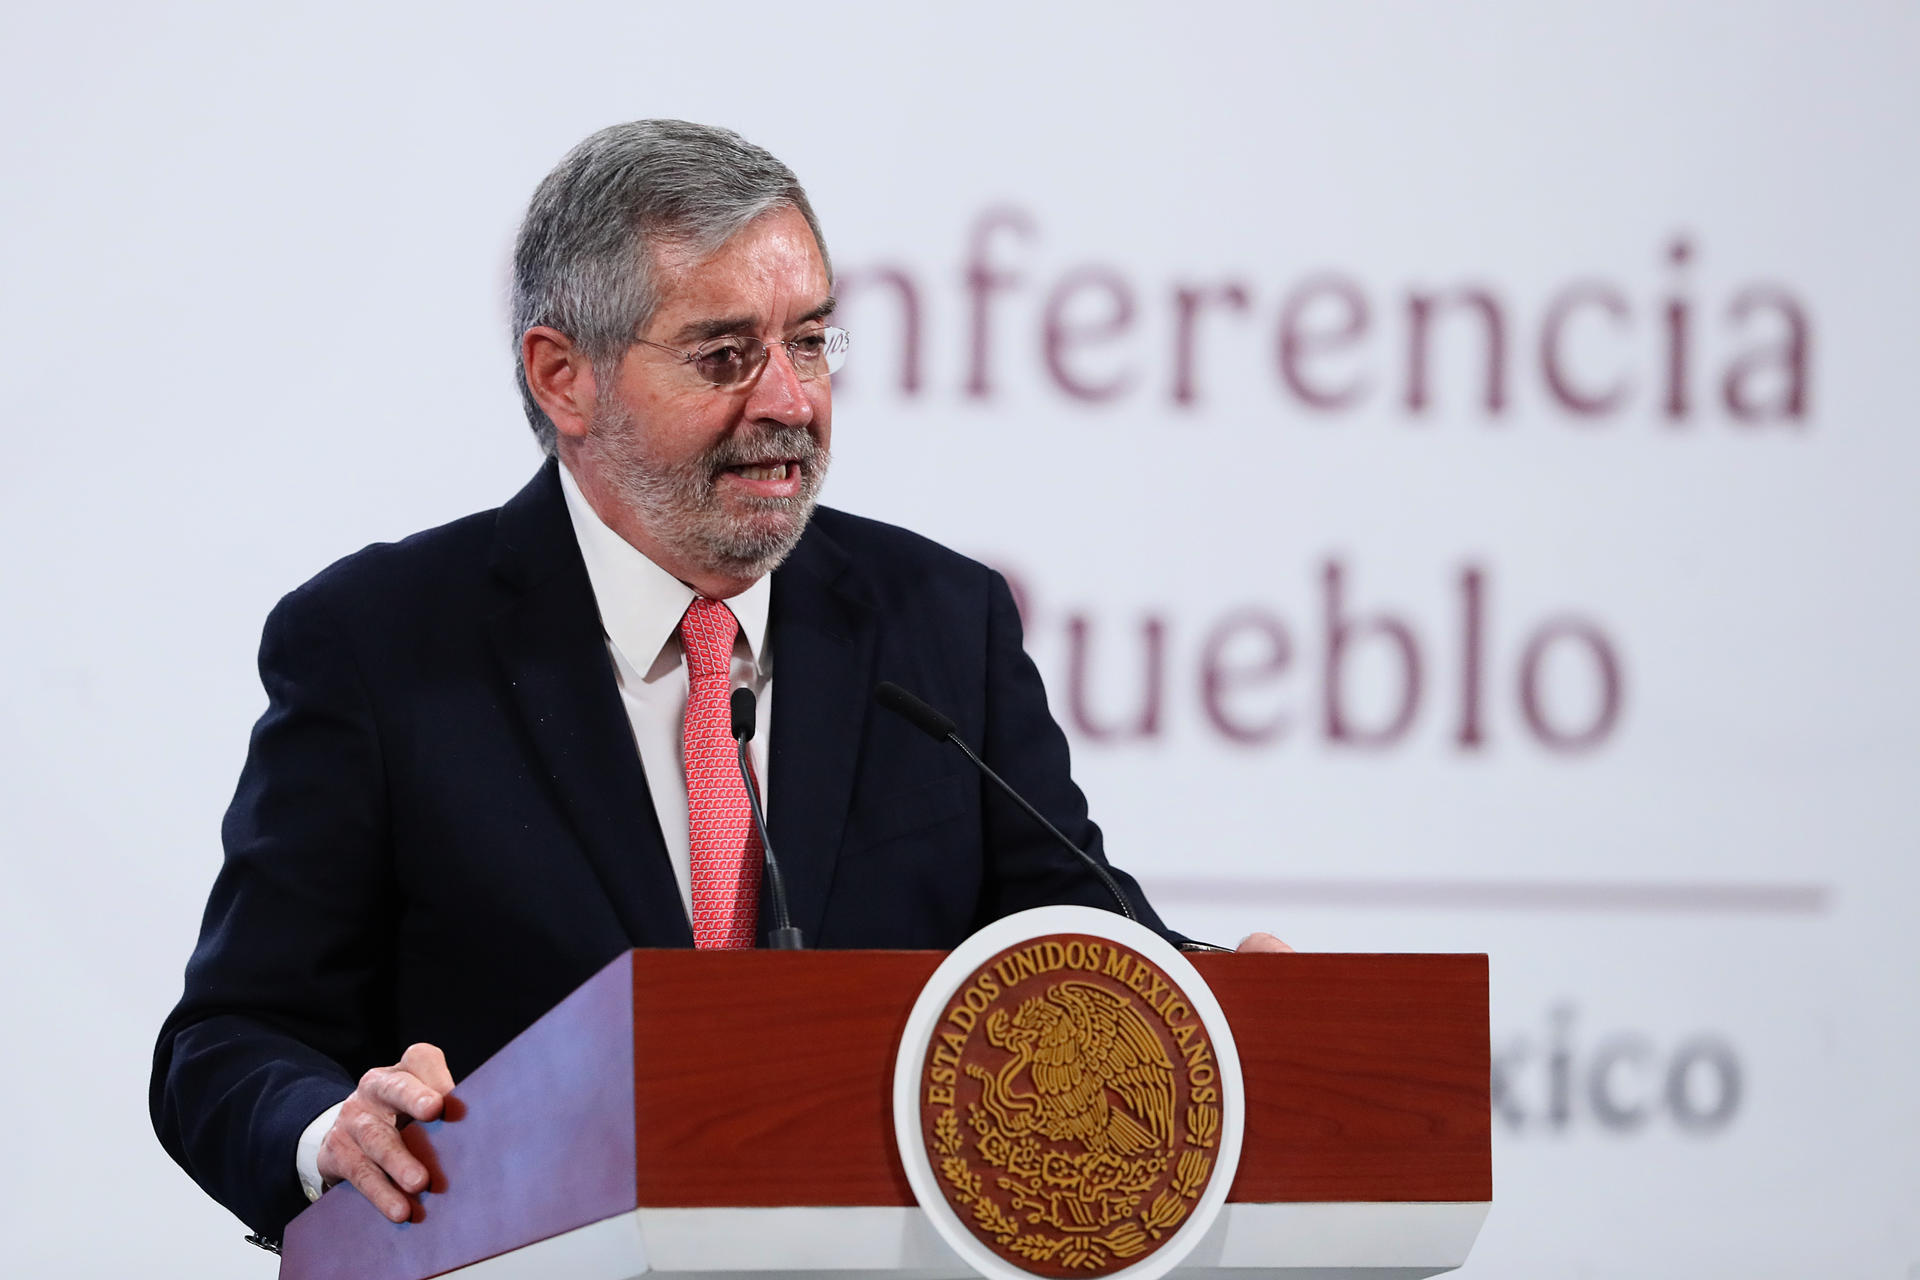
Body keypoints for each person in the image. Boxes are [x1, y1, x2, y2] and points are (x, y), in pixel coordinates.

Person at [150, 119, 1287, 1245]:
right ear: (565, 378)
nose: (790, 401)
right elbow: (230, 1038)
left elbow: (1069, 936)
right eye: (726, 354)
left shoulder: (939, 621)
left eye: (810, 342)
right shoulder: (381, 644)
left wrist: (1224, 998)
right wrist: (328, 1130)